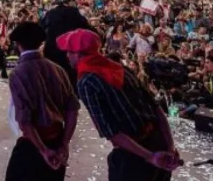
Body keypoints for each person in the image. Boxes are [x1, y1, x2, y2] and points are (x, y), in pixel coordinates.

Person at [58, 28, 182, 181]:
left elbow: (112, 133)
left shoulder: (86, 82)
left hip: (134, 155)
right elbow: (156, 109)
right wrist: (169, 146)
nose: (67, 56)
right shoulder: (122, 68)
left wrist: (150, 157)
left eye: (69, 52)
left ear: (78, 54)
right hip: (159, 141)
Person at [5, 22, 79, 181]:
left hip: (32, 145)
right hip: (57, 141)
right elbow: (72, 110)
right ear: (41, 43)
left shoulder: (18, 73)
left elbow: (25, 120)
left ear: (18, 45)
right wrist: (64, 143)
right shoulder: (58, 69)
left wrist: (43, 150)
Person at [40, 0, 91, 87]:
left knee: (54, 77)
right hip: (68, 49)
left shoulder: (50, 13)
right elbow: (86, 26)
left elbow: (41, 27)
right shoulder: (74, 12)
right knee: (70, 77)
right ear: (67, 2)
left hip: (51, 49)